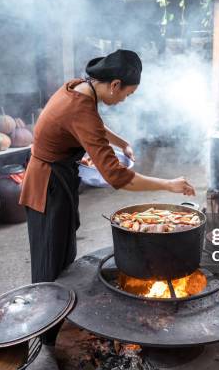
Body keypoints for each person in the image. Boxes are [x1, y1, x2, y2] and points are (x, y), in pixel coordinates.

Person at [19, 49, 195, 285]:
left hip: (57, 177)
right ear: (115, 85)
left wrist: (123, 143)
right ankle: (48, 315)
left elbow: (93, 125)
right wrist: (168, 185)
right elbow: (117, 176)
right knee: (50, 262)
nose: (125, 100)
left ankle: (62, 308)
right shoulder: (80, 107)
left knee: (63, 253)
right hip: (47, 186)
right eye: (128, 94)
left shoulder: (79, 86)